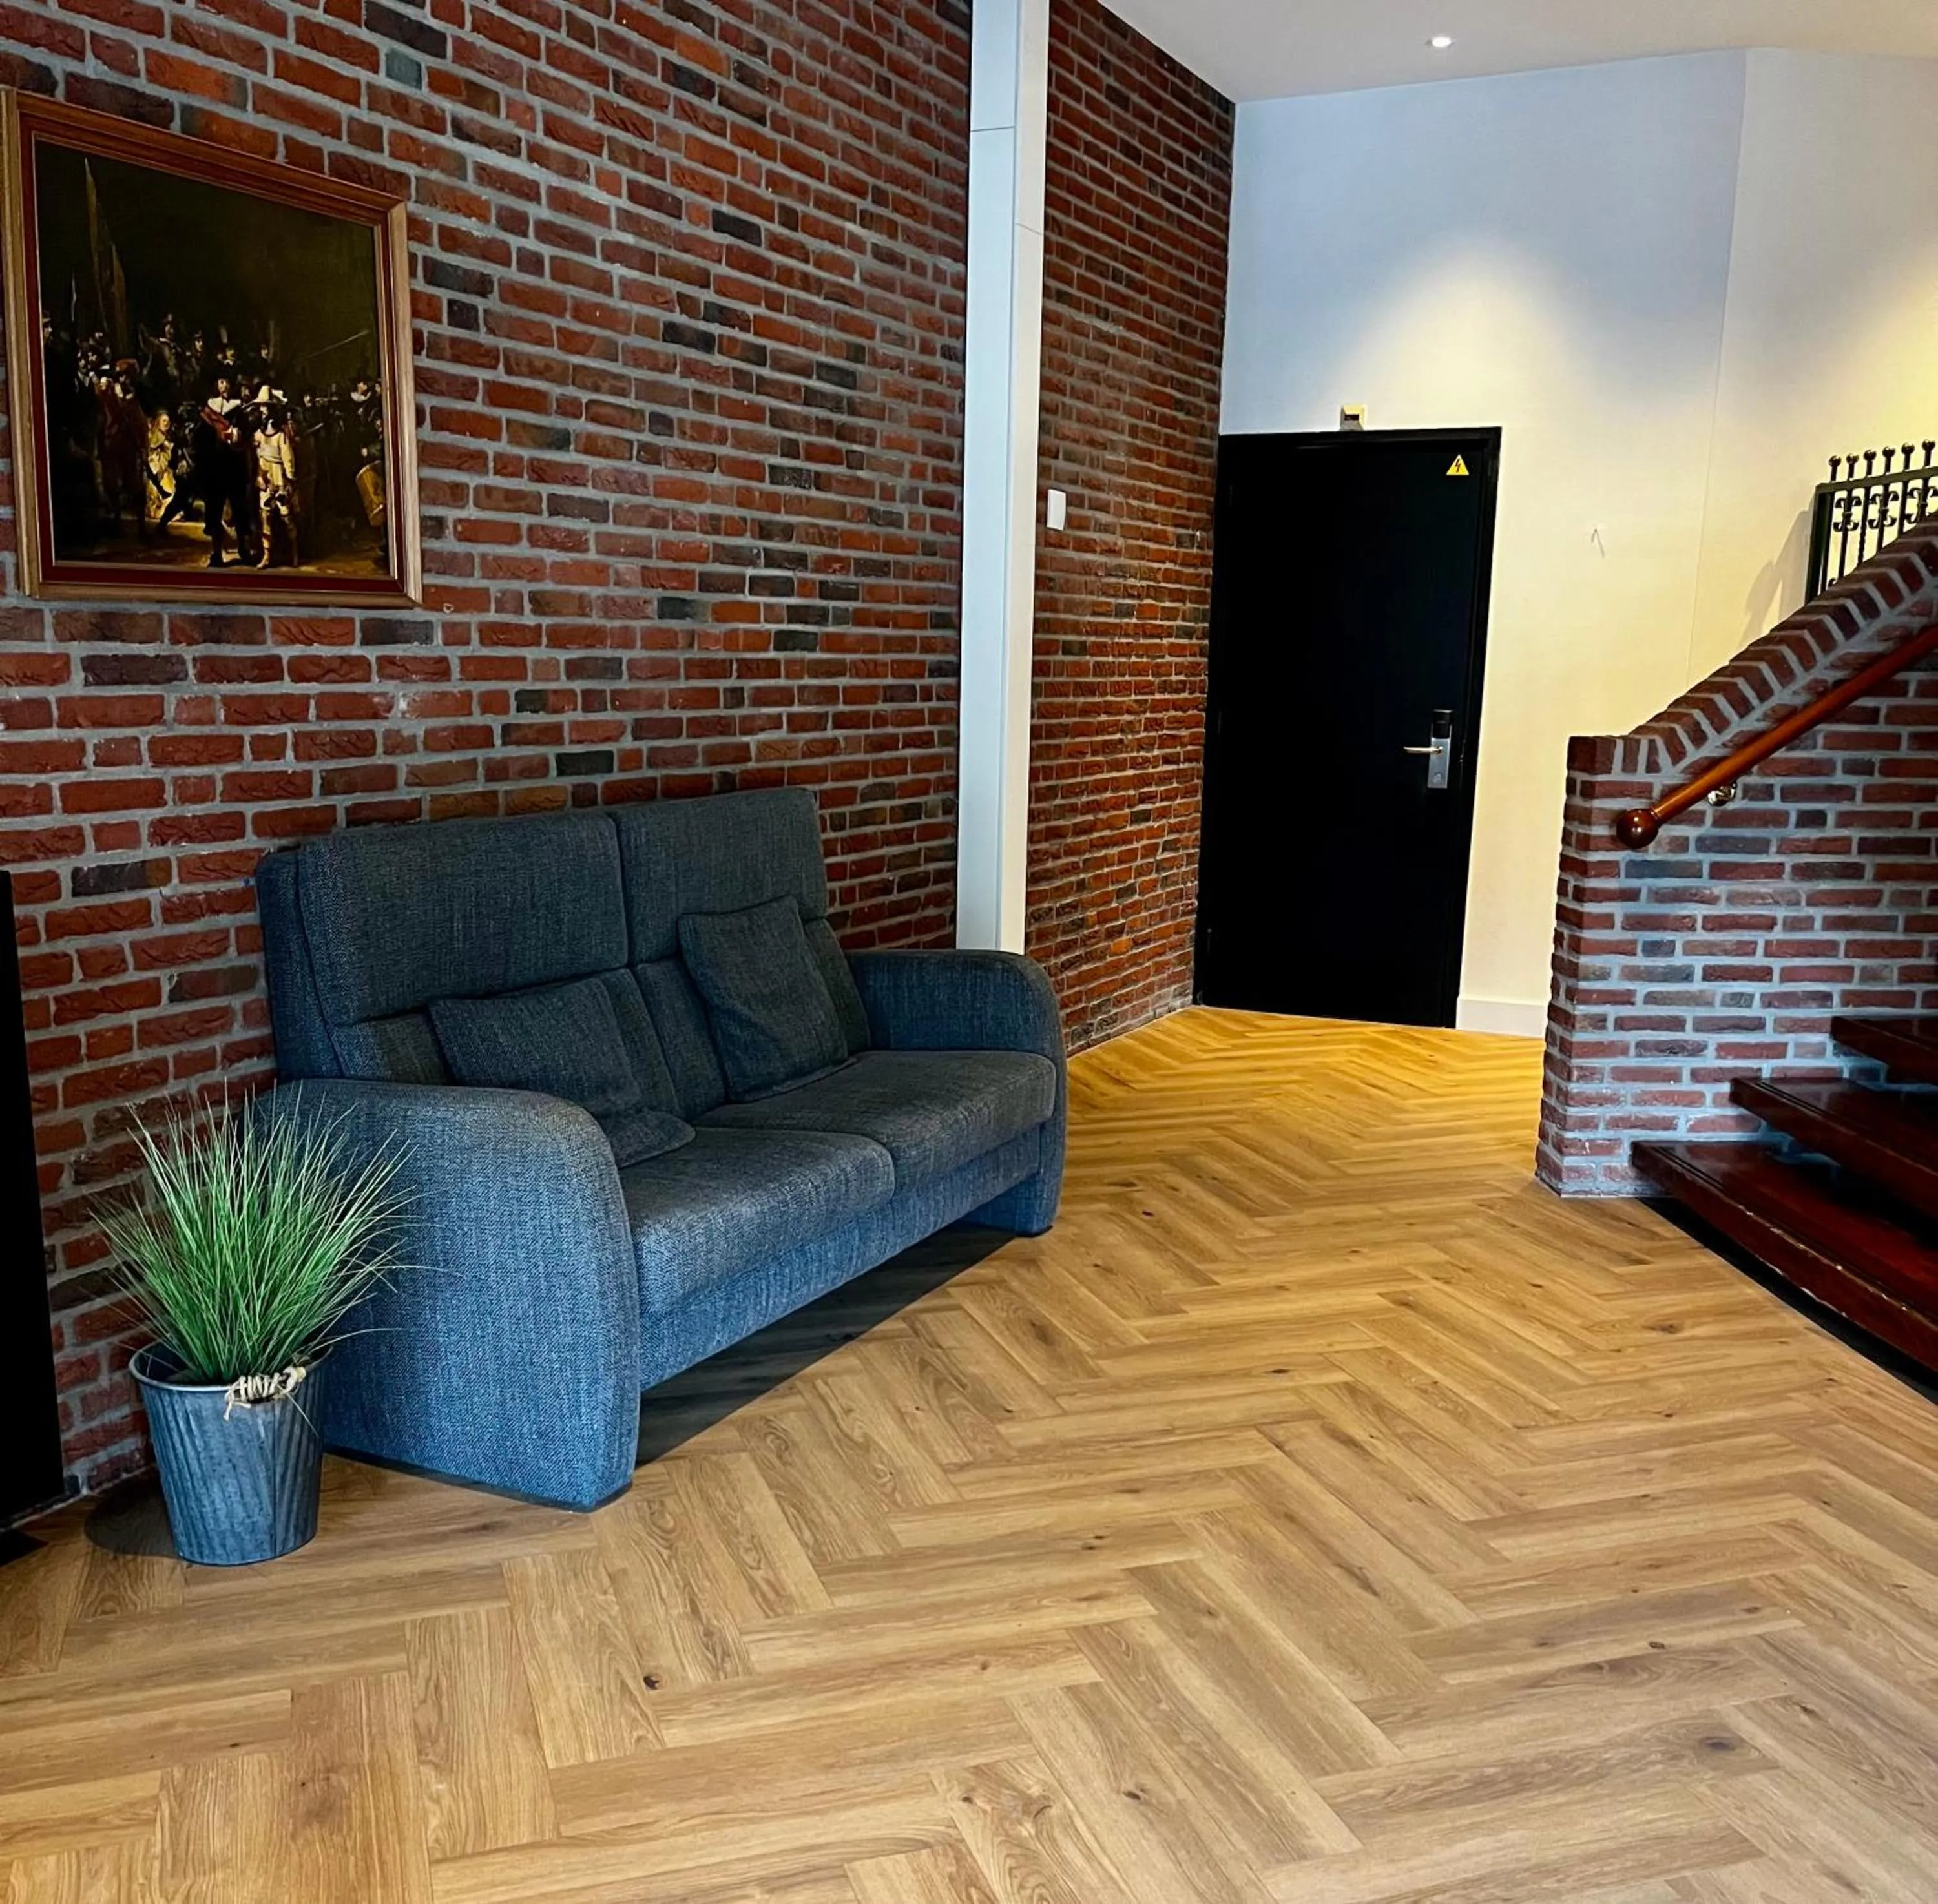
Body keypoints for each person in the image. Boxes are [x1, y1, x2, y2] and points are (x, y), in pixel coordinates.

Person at [253, 403, 301, 568]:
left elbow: (288, 460)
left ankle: (295, 553)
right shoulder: (258, 435)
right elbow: (256, 459)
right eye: (261, 408)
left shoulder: (281, 436)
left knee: (286, 516)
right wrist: (259, 476)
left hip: (280, 477)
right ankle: (266, 556)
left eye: (265, 407)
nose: (262, 411)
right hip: (265, 478)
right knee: (265, 517)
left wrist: (289, 481)